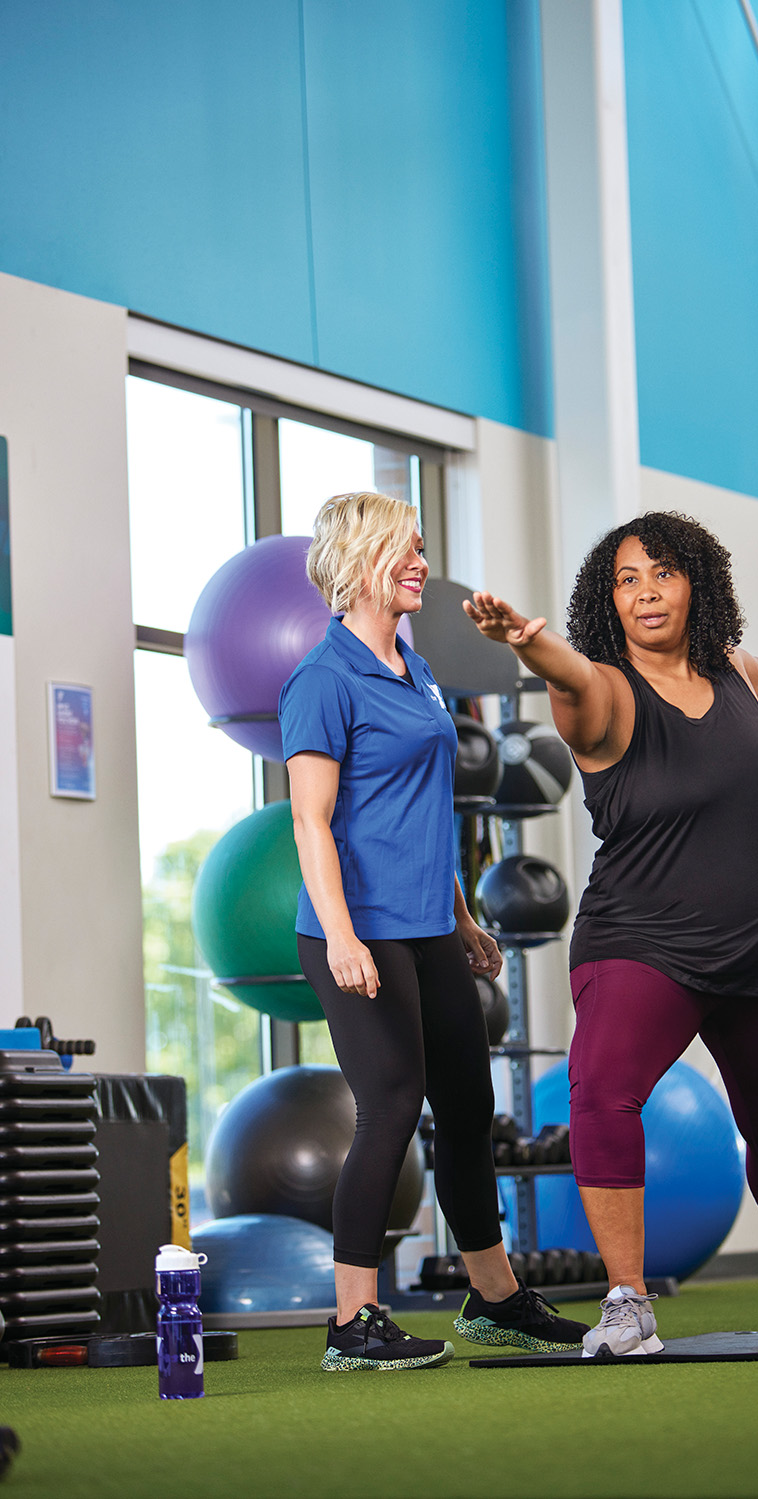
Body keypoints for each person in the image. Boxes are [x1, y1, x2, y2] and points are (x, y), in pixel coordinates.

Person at [464, 510, 758, 1357]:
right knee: (603, 1091)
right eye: (626, 579)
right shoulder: (601, 693)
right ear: (610, 600)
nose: (645, 592)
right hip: (646, 942)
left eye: (661, 572)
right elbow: (570, 677)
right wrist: (530, 643)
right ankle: (627, 1301)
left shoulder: (730, 670)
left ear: (694, 581)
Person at [278, 490, 588, 1371]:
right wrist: (340, 937)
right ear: (359, 562)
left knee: (467, 1104)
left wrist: (460, 916)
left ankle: (495, 1300)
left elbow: (419, 812)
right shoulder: (323, 679)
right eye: (405, 549)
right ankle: (352, 1318)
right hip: (357, 929)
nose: (421, 562)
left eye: (420, 546)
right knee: (391, 1102)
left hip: (424, 925)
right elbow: (312, 822)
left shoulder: (417, 673)